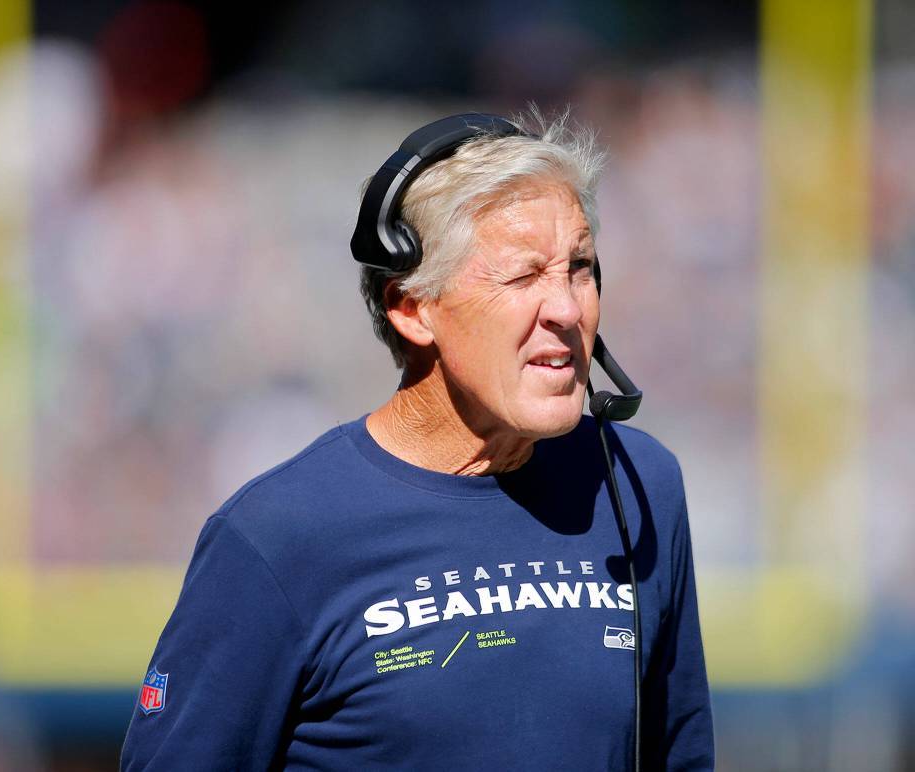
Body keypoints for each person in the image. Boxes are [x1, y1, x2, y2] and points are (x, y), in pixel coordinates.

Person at [120, 108, 715, 771]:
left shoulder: (639, 484)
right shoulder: (277, 536)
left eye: (579, 267)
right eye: (523, 276)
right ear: (411, 306)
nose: (568, 308)